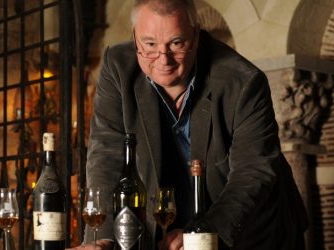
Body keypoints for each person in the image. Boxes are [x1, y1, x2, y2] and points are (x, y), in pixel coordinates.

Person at [70, 0, 308, 249]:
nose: (164, 59)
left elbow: (252, 172)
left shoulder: (244, 81)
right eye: (150, 44)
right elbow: (106, 154)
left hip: (249, 228)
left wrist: (201, 232)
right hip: (173, 221)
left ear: (195, 35)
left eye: (176, 43)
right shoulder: (117, 66)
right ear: (135, 37)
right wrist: (104, 238)